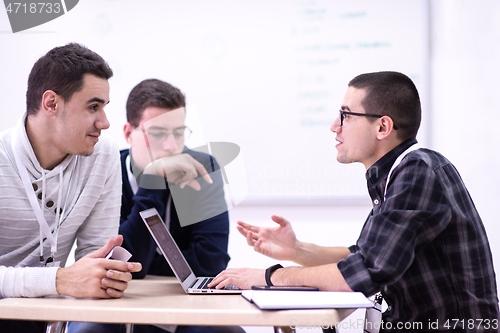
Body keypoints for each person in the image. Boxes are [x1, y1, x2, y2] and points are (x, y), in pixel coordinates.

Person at [209, 71, 499, 332]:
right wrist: (295, 249)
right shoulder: (399, 172)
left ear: (383, 127)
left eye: (346, 115)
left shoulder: (418, 172)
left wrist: (270, 277)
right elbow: (363, 256)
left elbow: (362, 275)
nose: (335, 126)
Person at [68, 79, 244, 333]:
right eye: (159, 134)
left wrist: (148, 263)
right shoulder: (105, 171)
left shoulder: (201, 169)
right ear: (129, 133)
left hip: (182, 308)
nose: (172, 146)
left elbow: (211, 263)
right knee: (89, 330)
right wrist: (153, 180)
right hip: (118, 303)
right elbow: (115, 267)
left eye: (179, 133)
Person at [0, 43, 142, 332]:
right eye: (93, 106)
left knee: (106, 326)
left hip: (50, 315)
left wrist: (106, 274)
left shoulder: (102, 155)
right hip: (7, 314)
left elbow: (96, 252)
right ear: (51, 103)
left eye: (104, 107)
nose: (104, 122)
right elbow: (65, 280)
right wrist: (59, 280)